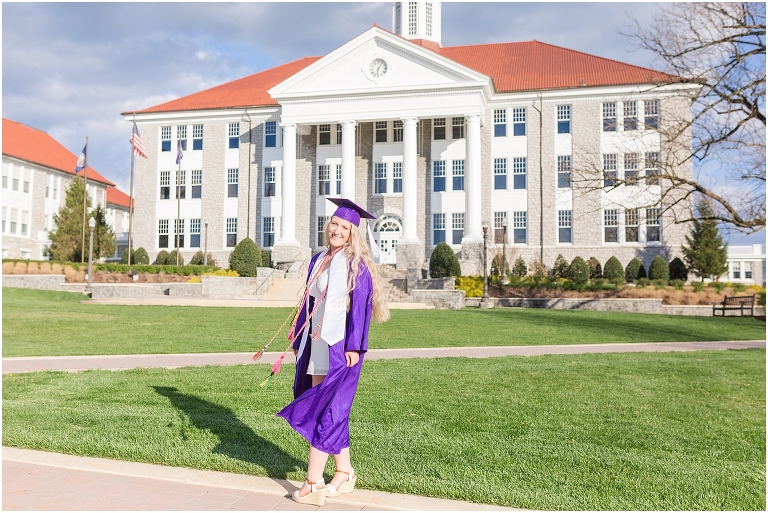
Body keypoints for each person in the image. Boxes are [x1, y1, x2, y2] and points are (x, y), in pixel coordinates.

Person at [277, 198, 390, 507]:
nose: (337, 230)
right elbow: (310, 302)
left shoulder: (356, 264)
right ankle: (344, 471)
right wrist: (298, 338)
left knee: (327, 409)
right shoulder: (319, 259)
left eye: (344, 227)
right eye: (334, 224)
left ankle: (313, 482)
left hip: (341, 346)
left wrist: (355, 345)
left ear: (353, 233)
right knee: (329, 408)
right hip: (316, 343)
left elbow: (361, 309)